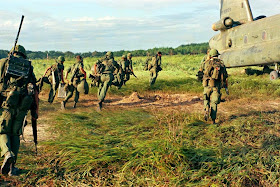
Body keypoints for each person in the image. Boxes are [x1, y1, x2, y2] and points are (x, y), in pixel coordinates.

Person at [0, 45, 38, 176]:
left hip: (7, 105)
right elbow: (35, 92)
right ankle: (12, 168)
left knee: (2, 131)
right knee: (15, 134)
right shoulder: (28, 68)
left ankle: (6, 153)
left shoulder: (4, 63)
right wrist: (35, 111)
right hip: (22, 107)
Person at [202, 49, 228, 124]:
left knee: (206, 98)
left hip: (207, 85)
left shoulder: (206, 63)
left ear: (210, 55)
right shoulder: (221, 64)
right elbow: (225, 76)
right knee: (214, 103)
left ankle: (206, 109)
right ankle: (213, 120)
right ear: (217, 55)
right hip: (216, 87)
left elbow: (202, 71)